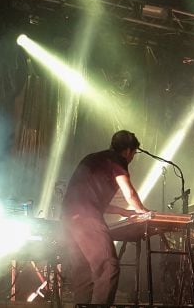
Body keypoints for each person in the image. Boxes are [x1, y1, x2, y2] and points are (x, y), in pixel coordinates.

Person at [61, 130, 149, 305]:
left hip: (68, 218)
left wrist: (122, 212)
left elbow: (90, 198)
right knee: (109, 266)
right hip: (86, 217)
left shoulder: (94, 158)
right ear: (127, 151)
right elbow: (129, 193)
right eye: (134, 154)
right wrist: (144, 212)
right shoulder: (116, 161)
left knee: (84, 272)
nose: (132, 158)